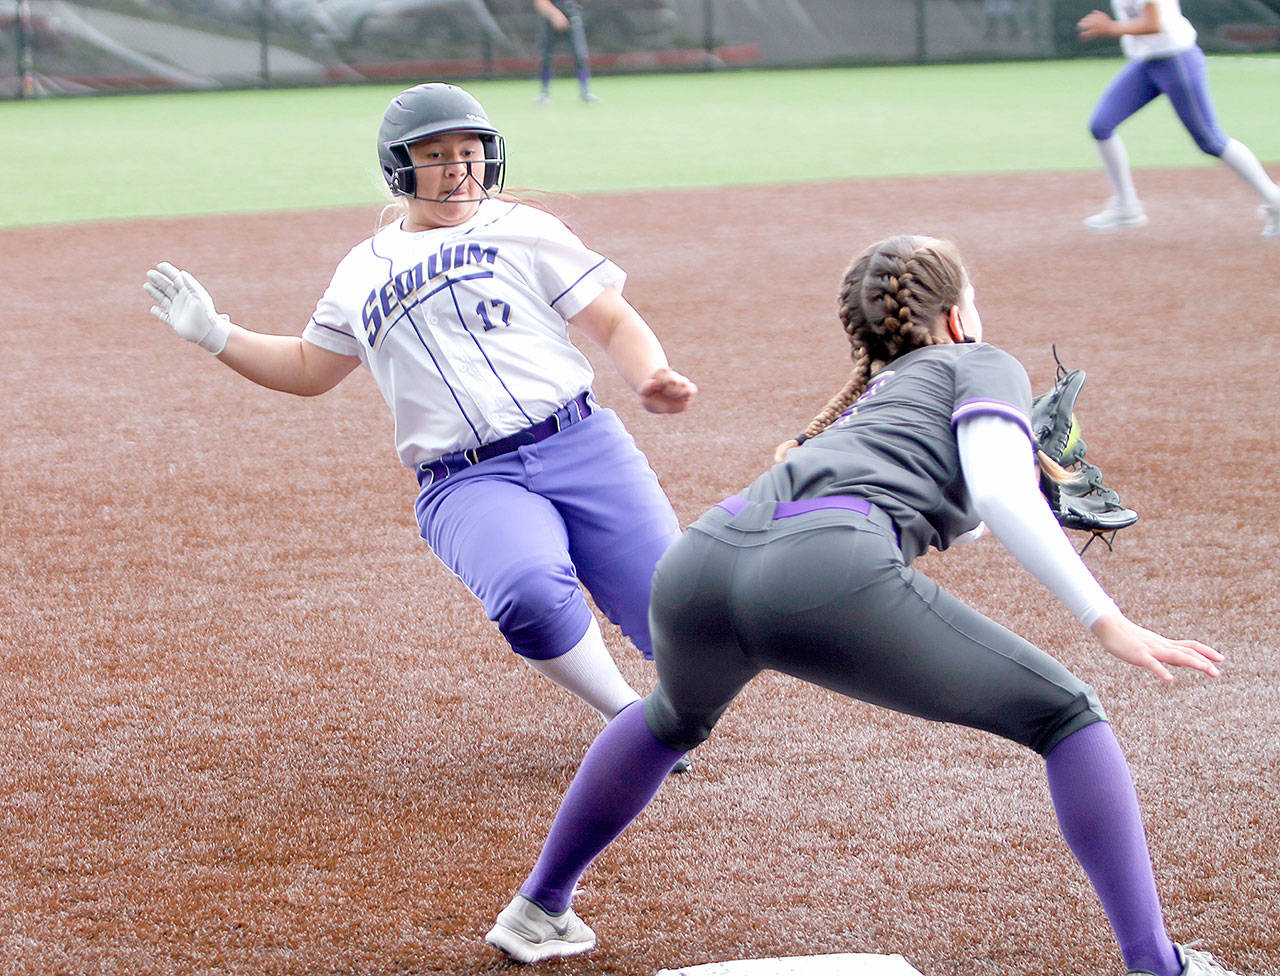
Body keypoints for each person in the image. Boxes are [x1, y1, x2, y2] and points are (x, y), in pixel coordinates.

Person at [485, 235, 1247, 976]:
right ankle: (1159, 964)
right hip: (821, 571)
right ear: (954, 319)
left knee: (668, 720)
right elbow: (995, 494)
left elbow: (964, 511)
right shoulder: (978, 360)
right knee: (1066, 716)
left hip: (702, 561)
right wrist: (1105, 620)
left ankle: (539, 907)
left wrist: (1026, 485)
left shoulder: (865, 401)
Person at [142, 82, 695, 768]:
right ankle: (627, 716)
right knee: (527, 591)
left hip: (582, 443)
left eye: (471, 151)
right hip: (466, 479)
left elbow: (610, 316)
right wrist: (217, 335)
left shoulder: (524, 226)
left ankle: (681, 703)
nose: (458, 168)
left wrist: (650, 373)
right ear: (398, 168)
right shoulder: (361, 270)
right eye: (435, 154)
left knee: (679, 612)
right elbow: (312, 366)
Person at [1077, 0, 1280, 236]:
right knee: (1100, 126)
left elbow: (1156, 23)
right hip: (1146, 63)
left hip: (1176, 61)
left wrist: (1111, 27)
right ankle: (1127, 207)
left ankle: (1275, 200)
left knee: (1210, 141)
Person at [533, 0, 598, 104]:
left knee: (580, 55)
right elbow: (540, 3)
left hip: (572, 17)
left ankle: (585, 93)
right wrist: (555, 14)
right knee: (546, 57)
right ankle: (544, 93)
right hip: (549, 20)